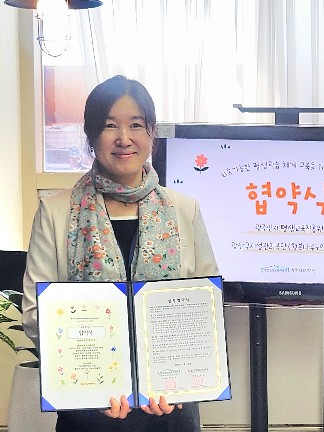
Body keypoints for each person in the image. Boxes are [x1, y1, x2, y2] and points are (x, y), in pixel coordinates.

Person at [22, 75, 219, 432]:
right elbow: (37, 312)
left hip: (170, 407)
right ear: (91, 135)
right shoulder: (55, 212)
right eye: (110, 125)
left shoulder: (183, 209)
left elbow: (204, 308)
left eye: (136, 125)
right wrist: (90, 384)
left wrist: (181, 375)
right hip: (88, 408)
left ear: (152, 133)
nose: (124, 138)